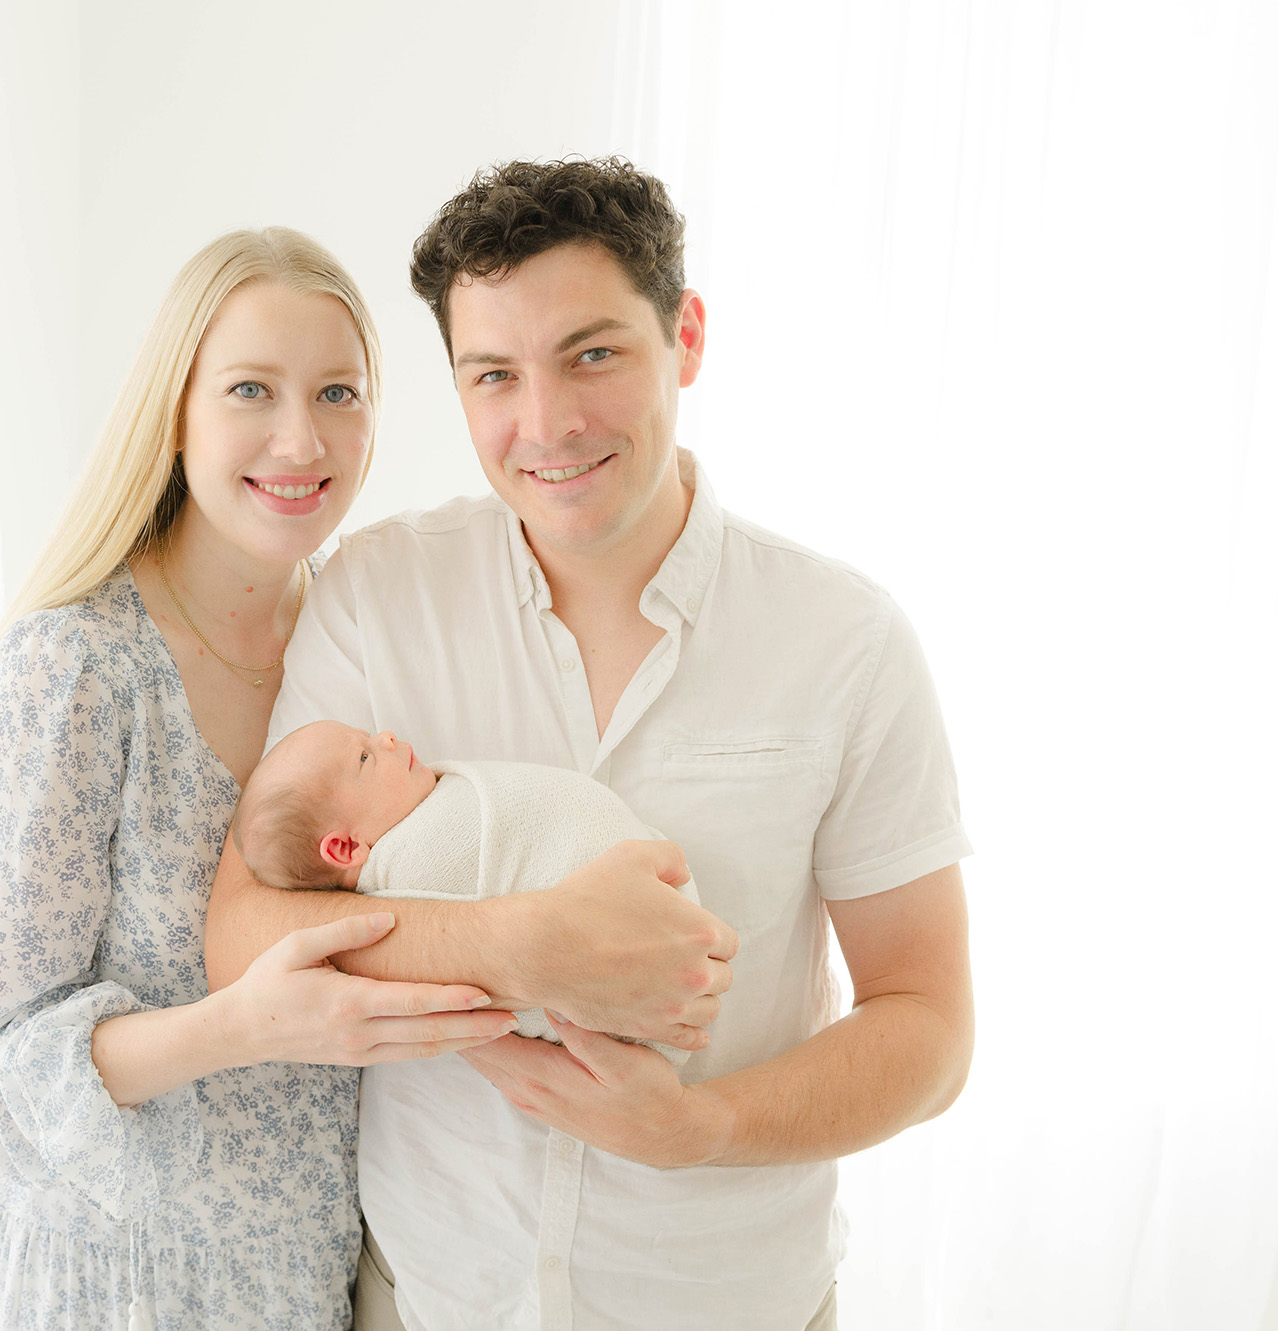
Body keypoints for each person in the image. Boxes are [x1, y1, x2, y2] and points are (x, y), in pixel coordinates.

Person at [203, 159, 975, 1331]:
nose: (545, 422)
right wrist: (522, 944)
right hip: (432, 1298)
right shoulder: (373, 597)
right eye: (494, 375)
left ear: (687, 337)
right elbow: (244, 933)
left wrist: (698, 1127)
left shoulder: (845, 643)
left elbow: (927, 1023)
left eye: (593, 353)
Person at [0, 228, 527, 1331]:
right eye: (251, 388)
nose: (299, 438)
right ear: (177, 411)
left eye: (337, 392)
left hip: (301, 1286)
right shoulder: (77, 666)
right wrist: (241, 1025)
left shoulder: (356, 652)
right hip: (104, 1294)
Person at [227, 720, 700, 1060]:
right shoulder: (409, 870)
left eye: (369, 735)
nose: (387, 736)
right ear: (347, 847)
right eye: (365, 757)